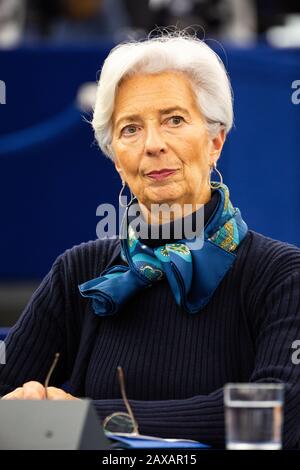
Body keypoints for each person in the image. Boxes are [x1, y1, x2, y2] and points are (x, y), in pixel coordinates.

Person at [1, 31, 300, 450]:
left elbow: (279, 413)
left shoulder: (282, 275)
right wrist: (23, 405)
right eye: (131, 129)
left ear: (215, 141)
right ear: (117, 160)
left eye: (174, 120)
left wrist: (89, 418)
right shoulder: (79, 272)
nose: (153, 145)